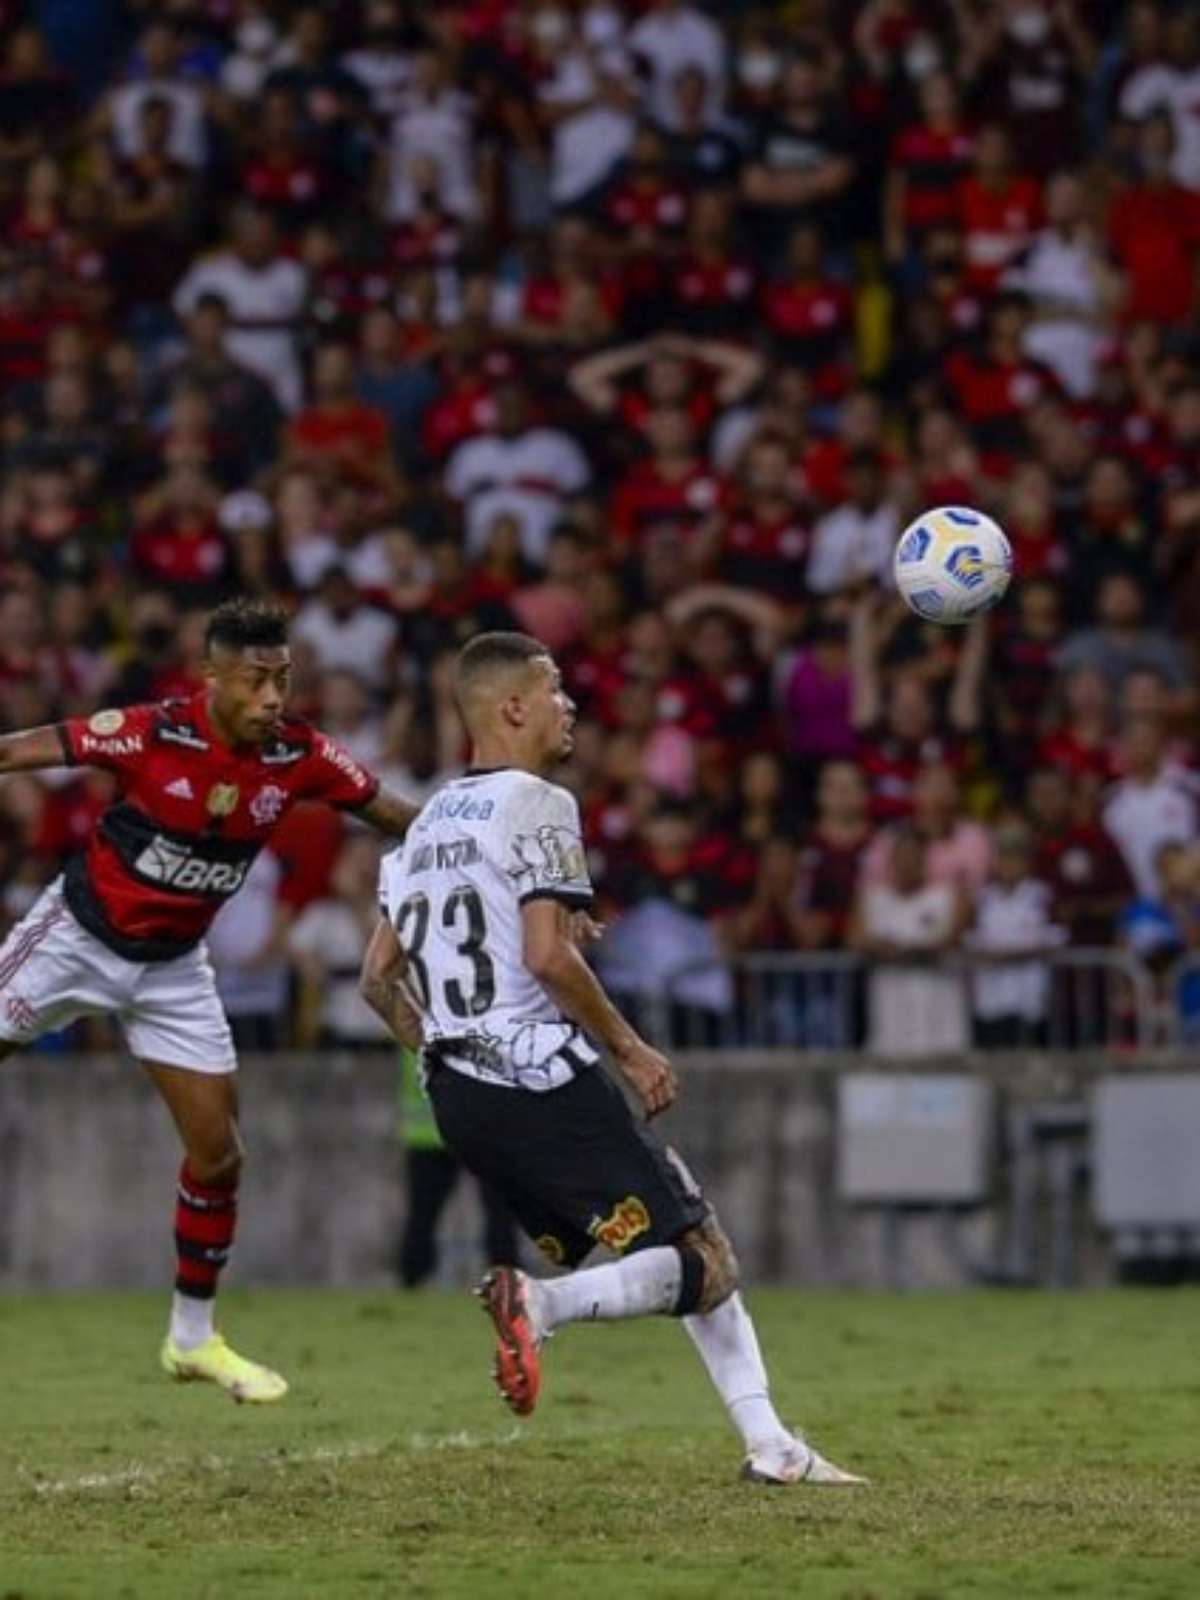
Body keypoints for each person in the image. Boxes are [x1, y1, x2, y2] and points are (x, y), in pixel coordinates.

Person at [360, 631, 863, 1487]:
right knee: (705, 1260)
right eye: (556, 689)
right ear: (512, 706)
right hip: (536, 1076)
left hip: (460, 1098)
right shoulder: (540, 802)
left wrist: (444, 1052)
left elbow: (378, 980)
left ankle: (772, 1446)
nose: (572, 706)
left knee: (685, 1237)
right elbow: (548, 958)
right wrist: (630, 1049)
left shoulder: (422, 826)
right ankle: (542, 1304)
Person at [0, 598, 417, 1403]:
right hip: (74, 940)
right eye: (256, 682)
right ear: (213, 677)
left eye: (283, 680)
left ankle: (192, 1339)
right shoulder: (152, 731)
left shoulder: (300, 755)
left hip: (172, 970)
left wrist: (485, 834)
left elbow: (395, 816)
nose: (272, 699)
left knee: (220, 1154)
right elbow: (25, 750)